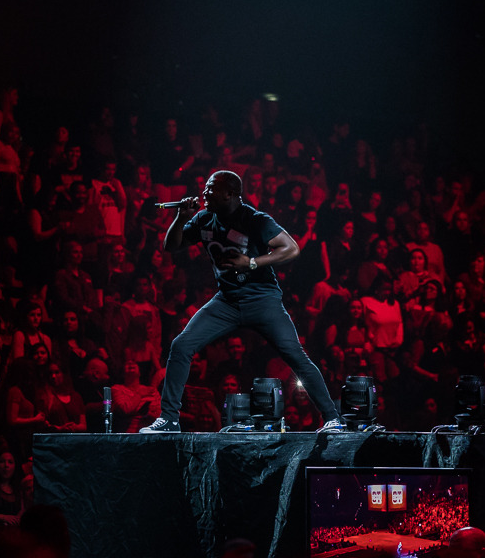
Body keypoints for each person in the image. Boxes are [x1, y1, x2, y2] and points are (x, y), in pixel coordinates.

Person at [139, 171, 343, 433]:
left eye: (211, 188)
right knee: (181, 346)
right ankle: (169, 419)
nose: (204, 192)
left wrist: (252, 262)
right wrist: (181, 218)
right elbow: (171, 246)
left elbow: (291, 248)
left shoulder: (255, 219)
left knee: (295, 356)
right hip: (227, 301)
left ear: (230, 194)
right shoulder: (203, 218)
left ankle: (332, 418)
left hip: (262, 300)